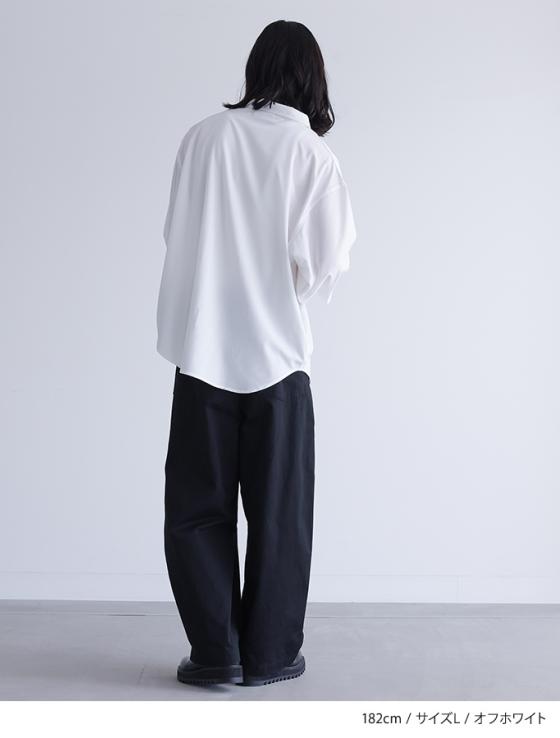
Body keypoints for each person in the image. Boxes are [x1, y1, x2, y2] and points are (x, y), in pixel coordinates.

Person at [156, 19, 357, 687]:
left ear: (255, 69)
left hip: (203, 352)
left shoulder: (202, 138)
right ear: (314, 77)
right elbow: (323, 267)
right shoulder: (312, 156)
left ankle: (216, 653)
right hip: (278, 360)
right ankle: (271, 655)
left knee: (197, 511)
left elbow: (176, 232)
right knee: (281, 517)